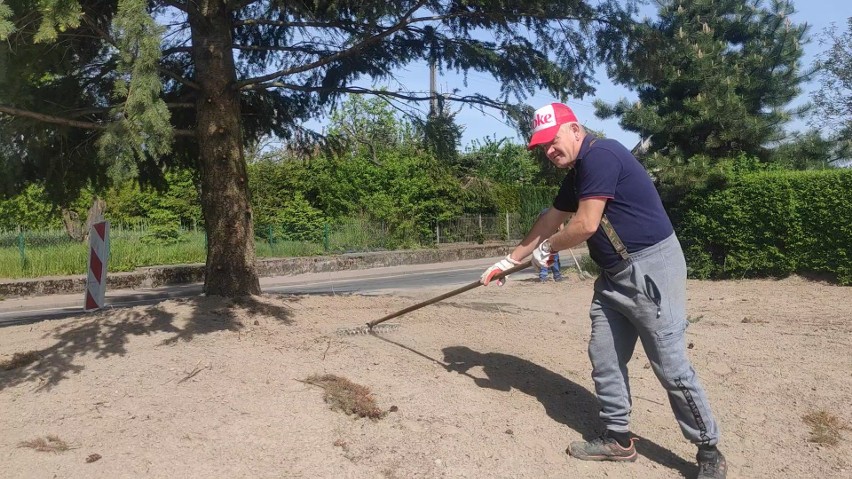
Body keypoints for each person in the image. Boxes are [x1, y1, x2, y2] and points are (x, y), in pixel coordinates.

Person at [480, 103, 726, 479]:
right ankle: (618, 439)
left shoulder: (603, 155)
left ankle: (708, 450)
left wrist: (548, 250)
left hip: (651, 270)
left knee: (671, 367)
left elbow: (585, 224)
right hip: (612, 277)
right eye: (542, 147)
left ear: (575, 129)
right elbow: (551, 218)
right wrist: (508, 262)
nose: (549, 152)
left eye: (553, 141)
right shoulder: (578, 171)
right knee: (605, 355)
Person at [538, 208, 563, 282]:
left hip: (544, 240)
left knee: (545, 257)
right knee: (553, 257)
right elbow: (562, 230)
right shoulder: (557, 218)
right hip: (550, 240)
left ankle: (544, 275)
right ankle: (556, 275)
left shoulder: (543, 219)